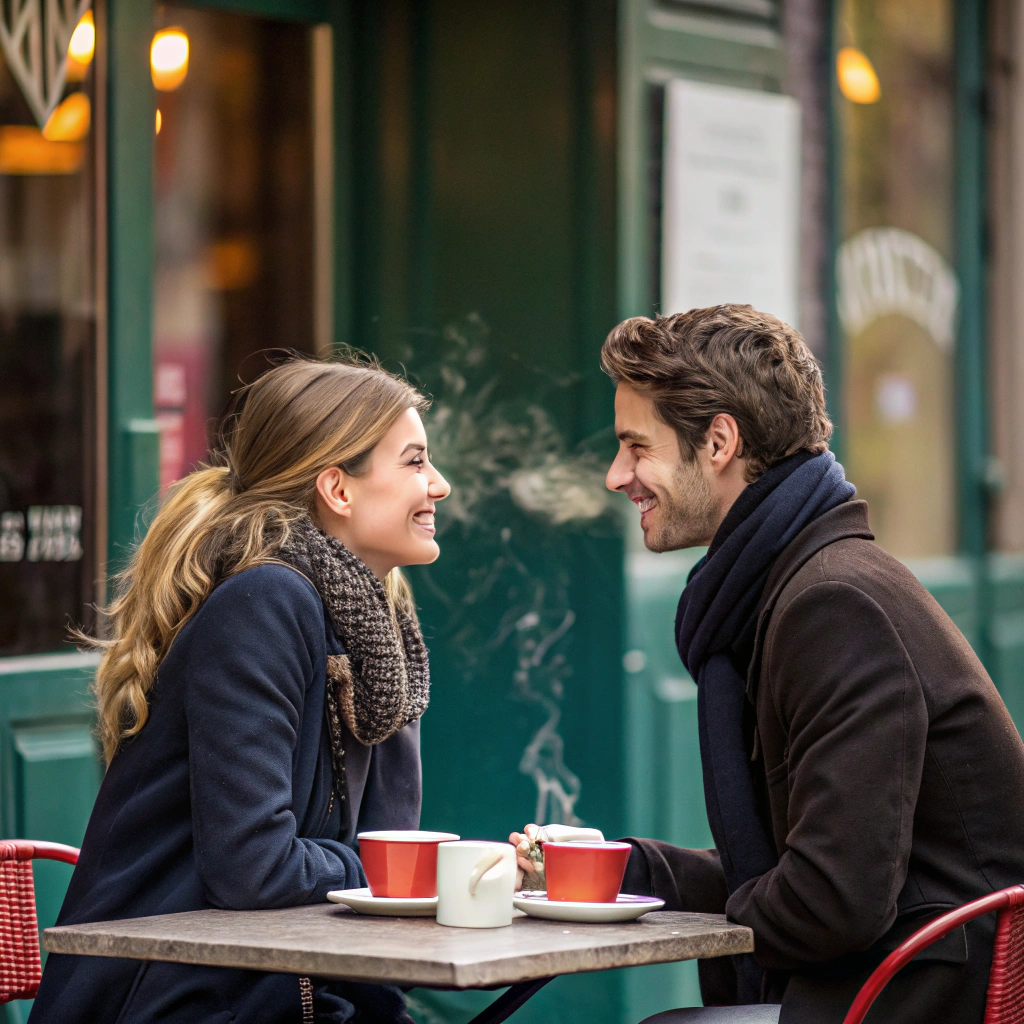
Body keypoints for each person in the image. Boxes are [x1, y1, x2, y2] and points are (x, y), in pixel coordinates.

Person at [512, 305, 1024, 1024]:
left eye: (636, 445)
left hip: (918, 997)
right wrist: (624, 872)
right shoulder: (801, 583)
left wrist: (681, 911)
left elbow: (832, 900)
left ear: (718, 440)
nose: (615, 475)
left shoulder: (834, 603)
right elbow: (797, 873)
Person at [30, 355, 450, 1024]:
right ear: (338, 489)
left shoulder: (378, 625)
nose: (440, 485)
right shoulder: (265, 603)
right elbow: (257, 867)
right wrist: (411, 875)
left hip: (291, 995)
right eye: (414, 462)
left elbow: (384, 870)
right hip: (172, 999)